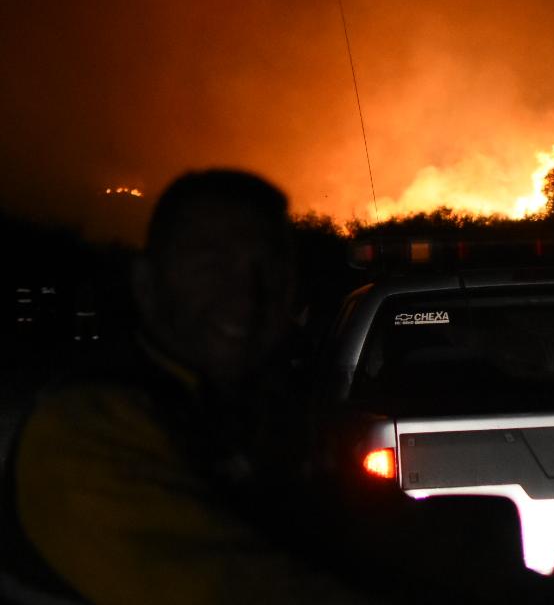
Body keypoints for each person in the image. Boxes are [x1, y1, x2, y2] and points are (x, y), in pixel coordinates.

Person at [2, 169, 382, 605]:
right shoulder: (81, 431)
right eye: (211, 267)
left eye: (270, 268)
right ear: (146, 285)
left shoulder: (266, 409)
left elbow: (365, 532)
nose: (246, 296)